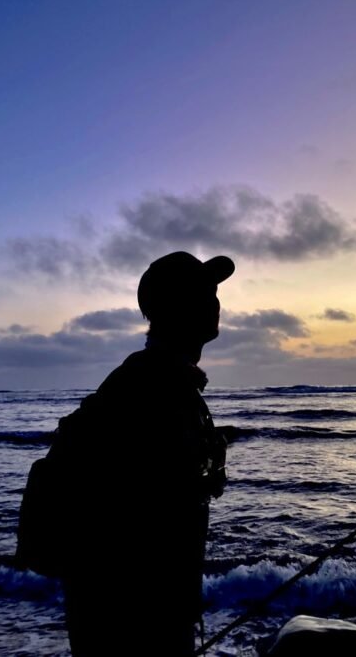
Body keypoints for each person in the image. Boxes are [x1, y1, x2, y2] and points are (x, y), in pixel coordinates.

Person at [49, 251, 235, 656]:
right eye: (204, 293)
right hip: (132, 620)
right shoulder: (150, 389)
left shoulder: (164, 383)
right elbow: (138, 510)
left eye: (215, 292)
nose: (215, 302)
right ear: (176, 308)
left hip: (143, 612)